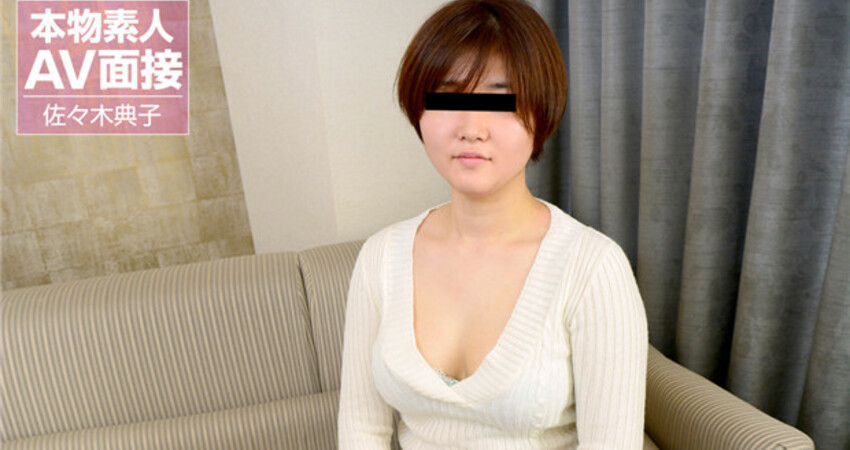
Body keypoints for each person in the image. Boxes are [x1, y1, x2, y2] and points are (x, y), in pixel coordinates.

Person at [338, 0, 648, 448]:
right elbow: (361, 429)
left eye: (500, 100)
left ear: (541, 112)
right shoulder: (380, 257)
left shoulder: (593, 268)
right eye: (447, 98)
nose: (472, 128)